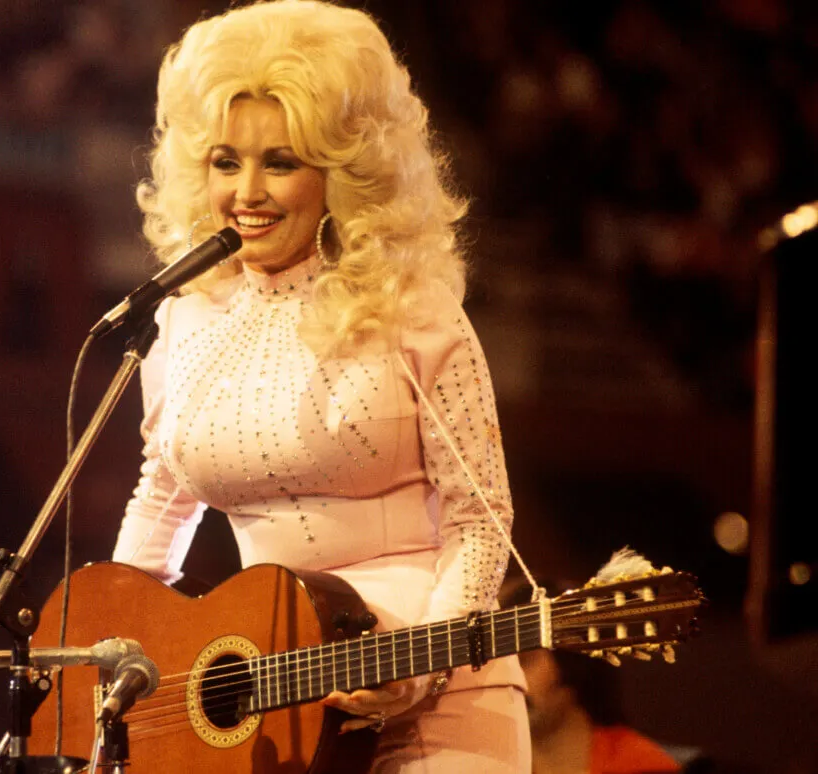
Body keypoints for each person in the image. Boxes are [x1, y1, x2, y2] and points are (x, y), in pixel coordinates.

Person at [111, 1, 529, 771]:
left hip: (441, 694)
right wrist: (122, 655)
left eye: (282, 161)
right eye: (225, 161)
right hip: (276, 708)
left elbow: (482, 519)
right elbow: (163, 493)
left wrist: (420, 666)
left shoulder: (414, 310)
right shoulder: (184, 318)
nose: (249, 191)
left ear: (342, 171)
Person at [500, 580, 714, 774]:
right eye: (499, 667)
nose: (508, 681)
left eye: (524, 661)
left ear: (571, 661)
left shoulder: (642, 766)